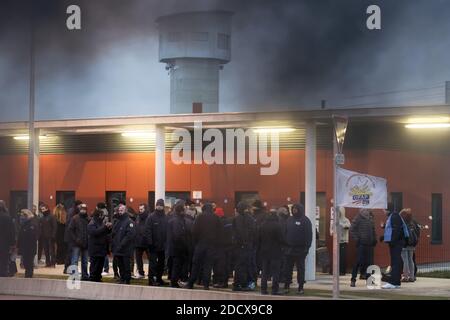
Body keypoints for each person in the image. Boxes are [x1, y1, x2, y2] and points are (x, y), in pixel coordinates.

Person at [185, 202, 221, 290]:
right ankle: (206, 285)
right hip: (211, 245)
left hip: (200, 244)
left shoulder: (200, 217)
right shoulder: (216, 218)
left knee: (196, 264)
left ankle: (191, 283)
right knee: (208, 265)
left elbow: (194, 231)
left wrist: (196, 242)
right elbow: (220, 232)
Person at [283, 203, 312, 295]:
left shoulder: (306, 220)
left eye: (296, 209)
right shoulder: (289, 220)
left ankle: (300, 287)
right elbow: (284, 233)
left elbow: (309, 236)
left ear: (300, 209)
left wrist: (306, 248)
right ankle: (287, 286)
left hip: (301, 250)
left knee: (301, 269)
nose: (294, 210)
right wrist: (284, 246)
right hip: (289, 250)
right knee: (287, 269)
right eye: (293, 209)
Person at [382, 204, 408, 289]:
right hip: (396, 242)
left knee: (395, 262)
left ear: (388, 210)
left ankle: (393, 282)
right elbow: (392, 230)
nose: (383, 211)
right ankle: (396, 282)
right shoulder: (393, 216)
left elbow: (396, 230)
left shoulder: (394, 217)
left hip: (396, 243)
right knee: (396, 261)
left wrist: (393, 241)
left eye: (384, 210)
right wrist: (384, 237)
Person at [259, 207, 284, 295]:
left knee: (265, 271)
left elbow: (259, 239)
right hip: (275, 252)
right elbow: (281, 239)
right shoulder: (278, 225)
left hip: (264, 252)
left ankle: (263, 289)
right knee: (275, 272)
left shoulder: (262, 225)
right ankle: (274, 290)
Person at [232, 201, 256, 291]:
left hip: (238, 245)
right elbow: (252, 232)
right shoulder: (249, 218)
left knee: (239, 265)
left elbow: (235, 232)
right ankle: (244, 284)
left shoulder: (236, 219)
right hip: (247, 245)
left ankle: (237, 284)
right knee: (245, 265)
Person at [349, 209, 377, 287]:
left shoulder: (371, 218)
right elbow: (351, 229)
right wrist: (357, 239)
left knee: (370, 263)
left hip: (370, 244)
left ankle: (369, 280)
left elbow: (373, 230)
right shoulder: (358, 218)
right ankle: (353, 280)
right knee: (358, 262)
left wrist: (374, 239)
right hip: (361, 244)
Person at [145, 199, 168, 286]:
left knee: (161, 264)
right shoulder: (151, 217)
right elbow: (148, 231)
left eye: (161, 205)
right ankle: (151, 280)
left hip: (162, 246)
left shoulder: (165, 217)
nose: (159, 206)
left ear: (163, 206)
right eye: (158, 205)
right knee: (153, 264)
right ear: (156, 206)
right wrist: (150, 243)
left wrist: (166, 243)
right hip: (153, 246)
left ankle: (159, 279)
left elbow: (167, 231)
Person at [111, 204, 136, 284]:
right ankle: (122, 278)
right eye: (119, 210)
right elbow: (114, 233)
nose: (120, 212)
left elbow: (129, 235)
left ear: (125, 211)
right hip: (118, 248)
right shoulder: (118, 221)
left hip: (126, 248)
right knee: (120, 265)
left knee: (126, 265)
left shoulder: (129, 222)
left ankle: (127, 279)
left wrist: (121, 245)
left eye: (122, 210)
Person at [167, 200, 189, 288]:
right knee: (176, 265)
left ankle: (174, 281)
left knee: (176, 265)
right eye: (184, 209)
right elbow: (177, 235)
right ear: (181, 211)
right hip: (177, 248)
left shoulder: (177, 219)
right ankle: (174, 282)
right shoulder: (177, 221)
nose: (186, 211)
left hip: (175, 247)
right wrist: (184, 245)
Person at [87, 209, 112, 282]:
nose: (103, 217)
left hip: (102, 248)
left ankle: (98, 277)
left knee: (100, 265)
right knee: (94, 264)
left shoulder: (101, 223)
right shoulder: (91, 224)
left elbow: (105, 233)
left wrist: (109, 228)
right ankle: (92, 277)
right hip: (95, 248)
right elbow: (95, 232)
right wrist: (105, 227)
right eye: (101, 215)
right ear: (98, 215)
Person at [212, 207, 233, 288]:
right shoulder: (228, 221)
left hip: (221, 247)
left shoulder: (219, 223)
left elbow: (217, 235)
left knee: (220, 265)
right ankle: (225, 281)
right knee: (226, 265)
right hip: (229, 246)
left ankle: (221, 282)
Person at [69, 203, 90, 280]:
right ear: (79, 209)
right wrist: (75, 239)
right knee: (74, 260)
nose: (83, 211)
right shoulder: (75, 218)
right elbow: (70, 230)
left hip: (86, 243)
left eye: (84, 209)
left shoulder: (88, 219)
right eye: (82, 209)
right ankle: (73, 275)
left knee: (85, 261)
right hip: (76, 243)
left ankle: (85, 275)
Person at [400, 208, 419, 282]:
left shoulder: (402, 222)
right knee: (411, 260)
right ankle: (412, 276)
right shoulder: (412, 222)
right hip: (412, 244)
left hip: (404, 244)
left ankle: (405, 277)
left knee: (405, 260)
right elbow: (417, 231)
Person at [17, 209, 38, 278]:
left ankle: (29, 275)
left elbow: (33, 236)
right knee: (25, 262)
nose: (21, 217)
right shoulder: (23, 225)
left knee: (29, 262)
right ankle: (27, 274)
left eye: (22, 215)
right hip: (24, 246)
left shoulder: (32, 224)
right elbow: (20, 236)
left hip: (30, 247)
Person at [250, 200, 266, 287]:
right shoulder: (263, 215)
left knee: (255, 263)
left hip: (256, 243)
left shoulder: (255, 217)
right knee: (260, 263)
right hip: (261, 243)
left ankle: (254, 281)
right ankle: (262, 282)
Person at [64, 200, 82, 274]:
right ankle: (69, 269)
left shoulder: (70, 211)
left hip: (69, 235)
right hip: (71, 236)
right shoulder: (73, 213)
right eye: (80, 205)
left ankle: (67, 268)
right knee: (71, 253)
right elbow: (71, 225)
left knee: (70, 253)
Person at [134, 203, 150, 279]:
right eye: (139, 209)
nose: (140, 211)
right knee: (138, 258)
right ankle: (141, 273)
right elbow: (136, 227)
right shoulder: (138, 217)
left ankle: (152, 273)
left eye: (142, 209)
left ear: (145, 209)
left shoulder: (149, 217)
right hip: (138, 241)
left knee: (151, 258)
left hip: (147, 242)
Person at [0, 200, 15, 277]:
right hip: (4, 243)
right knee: (4, 259)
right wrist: (12, 243)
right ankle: (3, 273)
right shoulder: (7, 217)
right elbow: (11, 231)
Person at [277, 206, 290, 283]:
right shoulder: (283, 221)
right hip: (283, 246)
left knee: (281, 262)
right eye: (286, 211)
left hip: (280, 245)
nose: (287, 212)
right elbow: (283, 233)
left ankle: (281, 277)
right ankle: (282, 277)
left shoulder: (280, 220)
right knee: (283, 262)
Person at [338, 207, 351, 276]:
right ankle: (337, 270)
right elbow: (332, 229)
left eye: (340, 212)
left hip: (343, 241)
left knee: (342, 257)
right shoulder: (336, 220)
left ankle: (342, 271)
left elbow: (348, 227)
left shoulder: (346, 220)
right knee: (337, 257)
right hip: (336, 241)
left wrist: (342, 225)